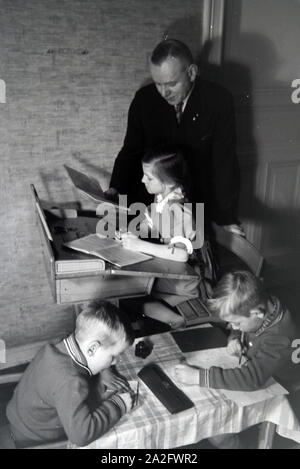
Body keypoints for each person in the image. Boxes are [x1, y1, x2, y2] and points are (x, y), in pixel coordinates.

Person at [107, 39, 243, 236]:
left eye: (171, 83)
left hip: (198, 208)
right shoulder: (144, 100)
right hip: (150, 206)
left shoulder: (218, 101)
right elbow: (131, 151)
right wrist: (115, 189)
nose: (164, 92)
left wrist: (226, 217)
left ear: (192, 72)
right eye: (158, 84)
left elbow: (225, 162)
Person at [174, 270, 300, 448]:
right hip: (257, 364)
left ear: (258, 312)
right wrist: (235, 336)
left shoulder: (280, 336)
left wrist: (199, 377)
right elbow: (246, 324)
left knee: (216, 428)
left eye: (237, 323)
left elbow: (252, 379)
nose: (232, 326)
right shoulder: (261, 303)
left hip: (282, 385)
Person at [6, 301, 136, 448]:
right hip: (36, 438)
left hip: (21, 419)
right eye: (113, 356)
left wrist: (104, 371)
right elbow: (82, 435)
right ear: (92, 349)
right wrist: (119, 405)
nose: (114, 362)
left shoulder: (60, 344)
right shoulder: (70, 381)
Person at [120, 145, 214, 329]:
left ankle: (176, 320)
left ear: (168, 183)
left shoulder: (177, 209)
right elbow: (152, 223)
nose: (142, 180)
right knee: (128, 296)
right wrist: (133, 232)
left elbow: (181, 254)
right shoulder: (162, 197)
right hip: (168, 274)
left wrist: (139, 245)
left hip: (183, 286)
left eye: (149, 177)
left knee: (131, 301)